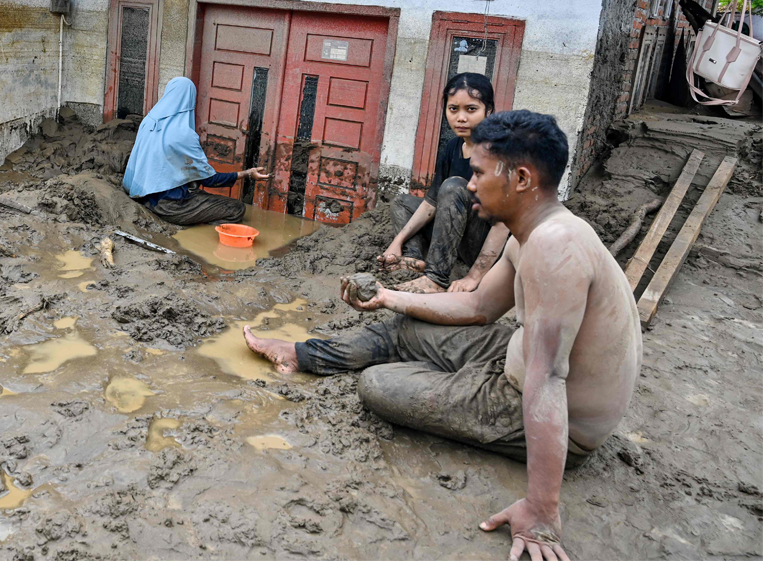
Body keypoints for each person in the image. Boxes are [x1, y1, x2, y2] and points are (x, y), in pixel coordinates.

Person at [244, 111, 642, 561]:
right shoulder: (529, 232)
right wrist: (389, 298)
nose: (469, 184)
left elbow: (548, 378)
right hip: (515, 357)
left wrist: (542, 511)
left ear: (522, 178)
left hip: (561, 418)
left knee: (379, 386)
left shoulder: (555, 247)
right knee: (409, 324)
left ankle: (421, 375)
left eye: (478, 172)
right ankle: (303, 354)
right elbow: (478, 308)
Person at [379, 72, 511, 294]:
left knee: (453, 187)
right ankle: (413, 259)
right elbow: (431, 204)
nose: (461, 118)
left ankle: (436, 279)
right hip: (454, 237)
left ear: (488, 111)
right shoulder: (452, 147)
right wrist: (397, 242)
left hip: (486, 246)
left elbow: (503, 224)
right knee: (403, 202)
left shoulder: (499, 151)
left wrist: (474, 277)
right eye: (453, 109)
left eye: (471, 109)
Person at [122, 77, 269, 226]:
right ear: (190, 100)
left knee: (199, 193)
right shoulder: (183, 134)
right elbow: (208, 179)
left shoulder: (149, 121)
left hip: (142, 194)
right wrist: (247, 173)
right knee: (236, 209)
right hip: (168, 206)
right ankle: (194, 231)